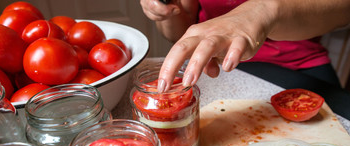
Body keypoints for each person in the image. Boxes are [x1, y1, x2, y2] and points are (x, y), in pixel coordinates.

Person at [139, 0, 350, 93]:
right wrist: (165, 12)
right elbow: (180, 32)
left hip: (299, 64)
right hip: (215, 65)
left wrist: (267, 10)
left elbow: (344, 10)